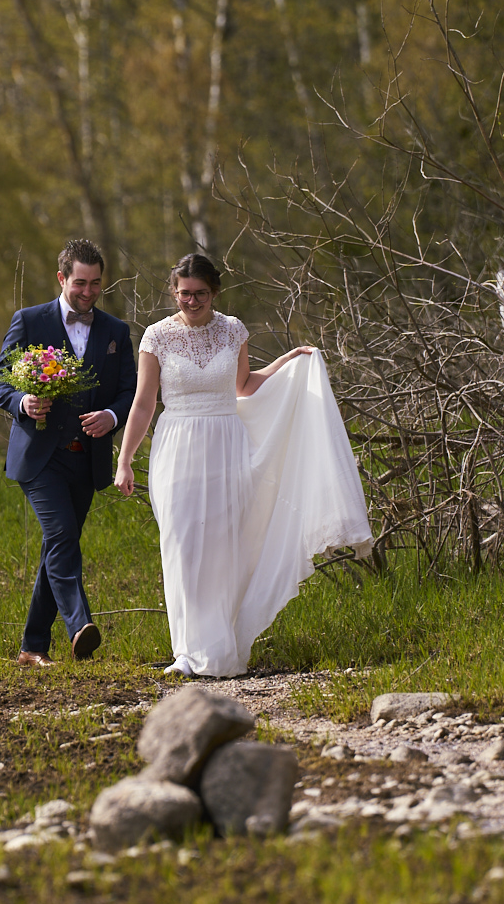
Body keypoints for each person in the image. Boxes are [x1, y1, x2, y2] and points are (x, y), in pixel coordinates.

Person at [114, 253, 373, 678]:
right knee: (181, 544)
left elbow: (244, 385)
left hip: (226, 443)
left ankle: (218, 649)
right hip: (177, 445)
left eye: (200, 294)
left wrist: (288, 362)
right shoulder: (156, 336)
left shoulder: (233, 329)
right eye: (184, 294)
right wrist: (125, 461)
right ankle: (187, 652)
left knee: (222, 548)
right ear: (174, 292)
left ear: (215, 292)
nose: (192, 301)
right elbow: (143, 404)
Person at [0, 239, 138, 667]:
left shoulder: (115, 331)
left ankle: (32, 647)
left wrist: (112, 415)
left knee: (58, 546)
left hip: (86, 458)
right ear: (61, 278)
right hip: (40, 457)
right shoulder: (29, 321)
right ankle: (80, 626)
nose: (88, 292)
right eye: (80, 283)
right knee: (62, 536)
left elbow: (130, 390)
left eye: (96, 284)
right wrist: (23, 401)